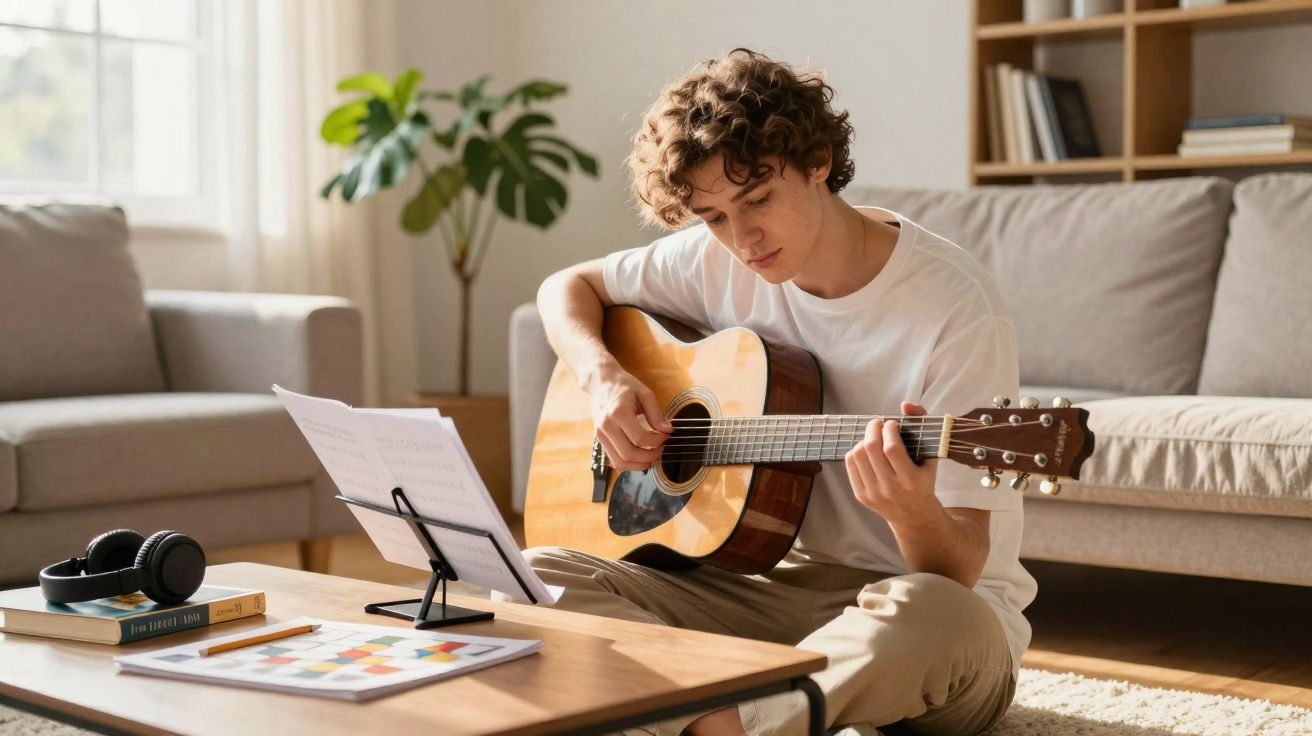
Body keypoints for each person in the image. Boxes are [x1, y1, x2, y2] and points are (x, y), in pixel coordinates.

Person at [527, 47, 1035, 736]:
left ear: (818, 160)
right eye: (712, 217)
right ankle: (743, 714)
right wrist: (603, 377)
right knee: (536, 575)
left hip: (910, 611)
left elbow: (960, 567)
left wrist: (912, 512)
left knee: (941, 617)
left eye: (758, 198)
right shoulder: (712, 256)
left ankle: (703, 717)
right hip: (760, 591)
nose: (743, 239)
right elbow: (566, 289)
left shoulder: (956, 307)